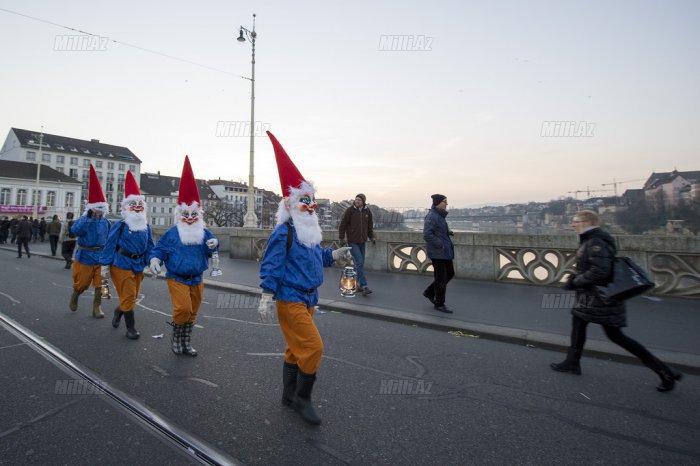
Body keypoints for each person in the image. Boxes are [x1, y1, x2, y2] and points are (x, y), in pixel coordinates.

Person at [258, 131, 351, 425]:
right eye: (304, 201)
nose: (310, 206)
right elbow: (271, 265)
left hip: (310, 296)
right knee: (312, 347)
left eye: (312, 201)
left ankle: (288, 396)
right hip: (290, 297)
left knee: (293, 348)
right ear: (289, 205)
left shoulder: (309, 232)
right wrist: (265, 295)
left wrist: (334, 255)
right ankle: (302, 398)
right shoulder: (283, 232)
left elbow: (316, 257)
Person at [551, 210, 683, 392]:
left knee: (616, 336)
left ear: (588, 222)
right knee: (579, 325)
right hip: (594, 296)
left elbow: (600, 271)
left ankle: (665, 372)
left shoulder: (595, 242)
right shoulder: (593, 239)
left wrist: (576, 281)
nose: (572, 224)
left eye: (575, 221)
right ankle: (572, 362)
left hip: (601, 298)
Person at [149, 156, 219, 357]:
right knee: (183, 310)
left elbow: (212, 247)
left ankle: (186, 342)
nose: (189, 219)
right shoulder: (172, 232)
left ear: (199, 215)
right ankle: (176, 338)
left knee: (193, 313)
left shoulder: (204, 232)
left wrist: (215, 243)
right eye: (186, 215)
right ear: (180, 215)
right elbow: (159, 249)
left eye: (193, 215)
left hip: (197, 278)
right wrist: (155, 260)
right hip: (177, 277)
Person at [100, 171, 155, 340]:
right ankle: (131, 329)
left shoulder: (146, 227)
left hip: (138, 265)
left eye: (140, 204)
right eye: (134, 205)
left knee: (131, 296)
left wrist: (152, 261)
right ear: (126, 207)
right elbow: (109, 244)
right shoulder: (120, 225)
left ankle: (118, 311)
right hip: (121, 264)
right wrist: (104, 265)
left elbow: (150, 246)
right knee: (130, 296)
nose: (138, 207)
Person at [68, 165, 111, 318]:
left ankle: (97, 307)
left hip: (101, 256)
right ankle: (76, 294)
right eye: (96, 208)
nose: (99, 211)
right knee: (83, 283)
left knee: (102, 285)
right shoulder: (83, 219)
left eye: (101, 208)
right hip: (85, 255)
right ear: (92, 208)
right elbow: (75, 231)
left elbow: (110, 239)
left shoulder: (106, 222)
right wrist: (88, 217)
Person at [422, 194, 455, 313]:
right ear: (438, 203)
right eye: (445, 201)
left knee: (450, 273)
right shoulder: (432, 216)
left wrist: (447, 232)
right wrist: (440, 244)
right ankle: (439, 303)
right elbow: (427, 234)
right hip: (438, 252)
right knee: (441, 278)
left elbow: (437, 230)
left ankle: (429, 292)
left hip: (444, 251)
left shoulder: (439, 216)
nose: (447, 203)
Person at [339, 193, 375, 296]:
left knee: (359, 264)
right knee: (359, 262)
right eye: (356, 199)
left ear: (363, 201)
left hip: (362, 241)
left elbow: (369, 226)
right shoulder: (350, 211)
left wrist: (371, 237)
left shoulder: (367, 211)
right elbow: (343, 225)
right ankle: (364, 286)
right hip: (352, 241)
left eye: (359, 200)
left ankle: (353, 284)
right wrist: (341, 238)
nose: (357, 201)